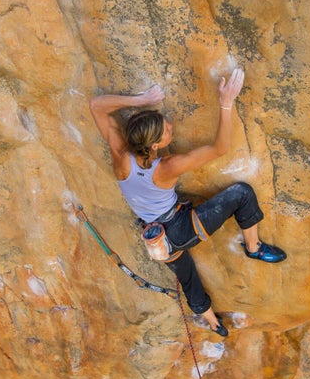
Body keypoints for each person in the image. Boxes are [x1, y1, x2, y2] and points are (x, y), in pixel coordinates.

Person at [89, 69, 286, 336]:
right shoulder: (168, 167)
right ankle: (253, 247)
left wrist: (142, 100)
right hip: (179, 228)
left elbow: (96, 106)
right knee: (242, 193)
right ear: (156, 146)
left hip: (155, 238)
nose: (170, 126)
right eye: (166, 130)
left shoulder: (121, 156)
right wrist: (226, 102)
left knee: (188, 277)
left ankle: (214, 324)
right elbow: (220, 148)